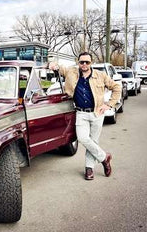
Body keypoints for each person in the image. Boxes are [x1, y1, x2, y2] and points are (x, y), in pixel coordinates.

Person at [49, 52, 121, 180]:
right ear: (78, 62)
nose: (84, 64)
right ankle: (104, 157)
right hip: (81, 113)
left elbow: (116, 88)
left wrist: (109, 105)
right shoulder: (71, 72)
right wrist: (52, 64)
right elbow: (58, 67)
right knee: (82, 138)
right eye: (82, 62)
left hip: (97, 113)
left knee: (93, 141)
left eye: (87, 62)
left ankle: (89, 169)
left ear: (91, 63)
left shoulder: (100, 75)